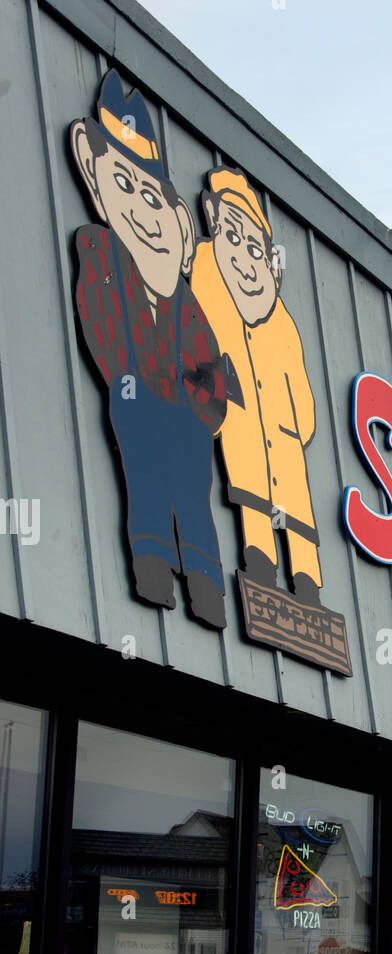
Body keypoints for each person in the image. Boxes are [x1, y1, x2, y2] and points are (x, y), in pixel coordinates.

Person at [70, 69, 228, 628]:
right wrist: (128, 383)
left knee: (193, 498)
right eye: (126, 185)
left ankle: (206, 582)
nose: (145, 209)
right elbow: (100, 325)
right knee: (146, 485)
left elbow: (213, 364)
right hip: (138, 403)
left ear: (182, 224)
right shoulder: (102, 253)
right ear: (95, 179)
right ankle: (154, 566)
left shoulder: (187, 302)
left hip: (186, 421)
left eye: (155, 197)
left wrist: (205, 406)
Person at [191, 168, 321, 605]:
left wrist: (295, 425)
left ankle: (306, 586)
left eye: (255, 248)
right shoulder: (208, 275)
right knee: (253, 504)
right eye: (234, 238)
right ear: (211, 221)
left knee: (296, 519)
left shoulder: (281, 319)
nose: (246, 260)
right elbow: (202, 346)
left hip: (282, 437)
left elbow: (303, 402)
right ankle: (261, 571)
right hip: (242, 423)